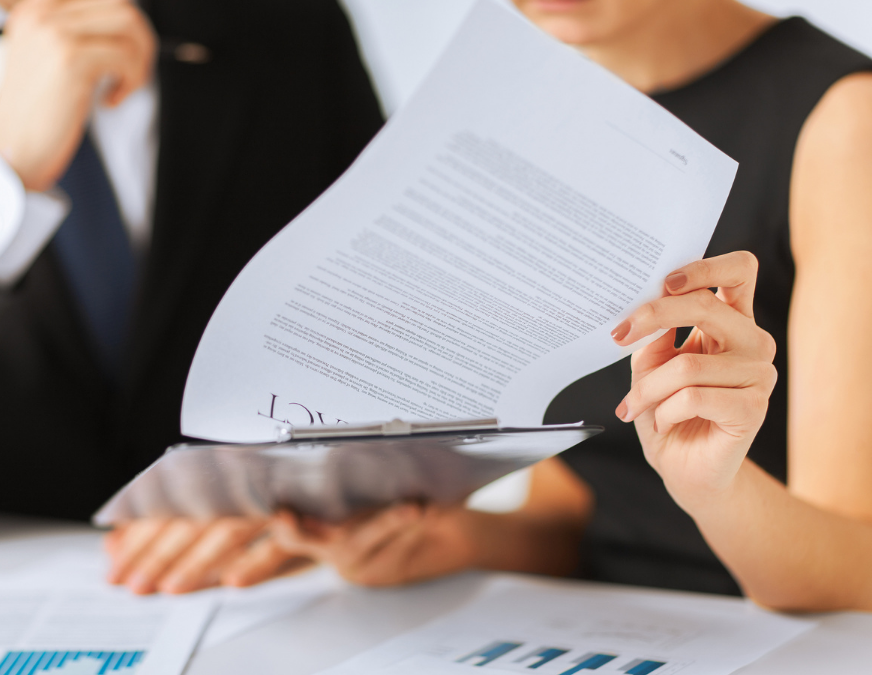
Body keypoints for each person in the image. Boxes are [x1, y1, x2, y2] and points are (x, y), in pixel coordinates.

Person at [253, 0, 872, 612]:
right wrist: (454, 539)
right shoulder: (556, 106)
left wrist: (716, 490)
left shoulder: (847, 122)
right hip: (601, 626)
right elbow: (583, 506)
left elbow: (853, 575)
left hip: (771, 634)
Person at [0, 0, 383, 565]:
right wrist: (0, 169)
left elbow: (391, 339)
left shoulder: (290, 25)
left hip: (283, 587)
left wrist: (334, 508)